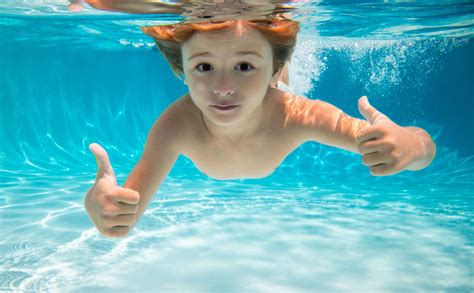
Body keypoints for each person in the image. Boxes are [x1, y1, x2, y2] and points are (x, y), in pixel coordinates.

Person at [83, 17, 436, 238]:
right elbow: (124, 218)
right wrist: (105, 212)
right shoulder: (176, 126)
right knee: (258, 58)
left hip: (275, 92)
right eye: (203, 67)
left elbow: (423, 147)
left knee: (282, 79)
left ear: (269, 68)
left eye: (243, 67)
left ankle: (278, 65)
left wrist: (411, 145)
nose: (222, 87)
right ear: (182, 70)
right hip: (266, 77)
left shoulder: (297, 116)